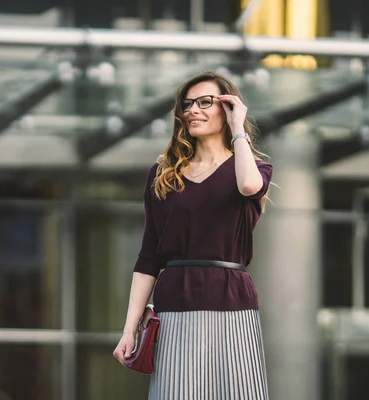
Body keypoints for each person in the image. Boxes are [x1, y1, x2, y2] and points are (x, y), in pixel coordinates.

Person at [112, 71, 273, 400]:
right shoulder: (162, 175)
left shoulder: (252, 168)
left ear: (226, 108)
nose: (193, 110)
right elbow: (148, 258)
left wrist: (238, 128)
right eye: (187, 105)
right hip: (176, 300)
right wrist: (130, 329)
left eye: (205, 102)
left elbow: (247, 186)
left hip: (233, 300)